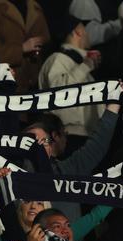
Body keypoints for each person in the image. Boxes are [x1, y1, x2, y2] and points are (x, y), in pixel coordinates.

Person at [38, 15, 104, 152]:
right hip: (67, 136)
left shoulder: (81, 65)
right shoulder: (58, 59)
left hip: (86, 136)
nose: (87, 33)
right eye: (85, 29)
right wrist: (86, 66)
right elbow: (59, 90)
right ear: (78, 31)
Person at [0, 0, 50, 92]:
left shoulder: (35, 8)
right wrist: (21, 48)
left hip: (34, 83)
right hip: (5, 86)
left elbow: (46, 40)